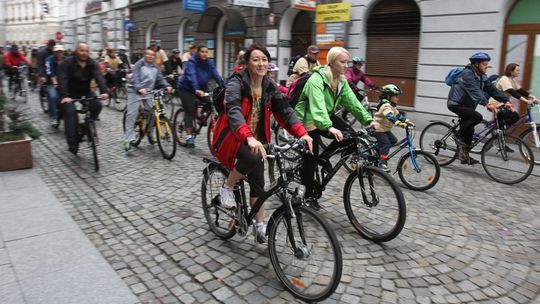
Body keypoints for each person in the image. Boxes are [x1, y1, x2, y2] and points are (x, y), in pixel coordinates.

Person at [211, 43, 313, 243]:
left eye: (264, 59)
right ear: (247, 64)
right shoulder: (236, 84)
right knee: (252, 156)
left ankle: (259, 225)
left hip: (257, 141)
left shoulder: (268, 85)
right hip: (232, 137)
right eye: (256, 59)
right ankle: (227, 186)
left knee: (259, 183)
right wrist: (248, 136)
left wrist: (302, 133)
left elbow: (285, 111)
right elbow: (234, 112)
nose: (261, 63)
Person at [294, 46, 375, 210]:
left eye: (347, 62)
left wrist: (368, 120)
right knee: (311, 157)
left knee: (351, 136)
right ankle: (307, 196)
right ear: (331, 62)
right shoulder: (317, 79)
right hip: (308, 117)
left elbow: (352, 103)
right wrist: (329, 127)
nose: (346, 66)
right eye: (342, 62)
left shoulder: (341, 80)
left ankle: (323, 159)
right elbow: (316, 107)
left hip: (325, 115)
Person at [447, 52, 509, 165]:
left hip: (468, 106)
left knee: (470, 132)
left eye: (487, 64)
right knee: (477, 117)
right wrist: (486, 103)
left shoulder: (482, 76)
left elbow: (491, 89)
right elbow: (475, 90)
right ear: (476, 64)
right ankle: (459, 136)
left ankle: (464, 157)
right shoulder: (467, 74)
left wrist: (506, 100)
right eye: (484, 64)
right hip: (456, 104)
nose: (486, 66)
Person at [58, 42, 108, 154]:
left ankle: (87, 126)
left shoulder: (92, 63)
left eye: (86, 51)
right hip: (69, 94)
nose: (84, 53)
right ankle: (73, 143)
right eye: (82, 50)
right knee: (70, 113)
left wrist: (104, 91)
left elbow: (99, 77)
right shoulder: (67, 63)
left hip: (85, 91)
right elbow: (63, 79)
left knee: (97, 105)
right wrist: (65, 96)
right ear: (76, 51)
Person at [123, 48, 172, 152]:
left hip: (148, 92)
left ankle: (150, 132)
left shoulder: (155, 67)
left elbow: (160, 78)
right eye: (148, 54)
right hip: (135, 91)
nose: (150, 56)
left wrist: (167, 85)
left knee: (154, 112)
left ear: (154, 57)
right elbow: (135, 77)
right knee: (131, 114)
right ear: (145, 55)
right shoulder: (138, 65)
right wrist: (139, 88)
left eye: (152, 55)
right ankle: (128, 139)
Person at [177, 44, 224, 147]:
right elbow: (192, 75)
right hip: (187, 89)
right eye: (202, 51)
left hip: (201, 88)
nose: (204, 54)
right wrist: (196, 89)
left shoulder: (209, 62)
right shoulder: (192, 62)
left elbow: (215, 74)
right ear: (198, 52)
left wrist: (224, 85)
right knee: (190, 110)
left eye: (206, 52)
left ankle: (201, 117)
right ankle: (189, 137)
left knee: (210, 102)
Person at [372, 84, 413, 171]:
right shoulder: (385, 106)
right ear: (388, 96)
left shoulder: (392, 106)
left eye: (398, 96)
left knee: (393, 140)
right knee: (386, 143)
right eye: (395, 96)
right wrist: (398, 123)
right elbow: (390, 115)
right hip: (378, 128)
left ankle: (378, 153)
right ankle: (382, 162)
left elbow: (398, 115)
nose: (397, 98)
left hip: (385, 129)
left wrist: (407, 121)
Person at [489, 63, 537, 127]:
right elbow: (512, 92)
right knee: (515, 117)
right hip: (496, 104)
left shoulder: (512, 80)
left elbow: (520, 90)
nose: (519, 72)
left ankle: (498, 132)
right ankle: (495, 127)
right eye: (517, 70)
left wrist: (533, 97)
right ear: (511, 71)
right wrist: (526, 101)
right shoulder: (504, 79)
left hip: (503, 103)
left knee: (504, 124)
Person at [45, 44, 66, 127]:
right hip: (51, 83)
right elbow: (50, 73)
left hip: (63, 82)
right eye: (58, 52)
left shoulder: (66, 60)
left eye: (61, 52)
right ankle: (54, 117)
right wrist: (55, 83)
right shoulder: (49, 60)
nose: (59, 54)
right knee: (53, 97)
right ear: (54, 52)